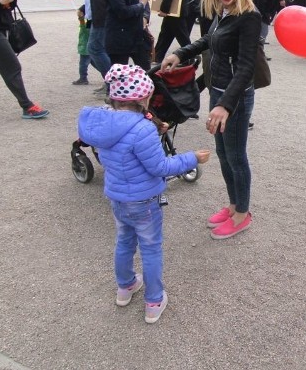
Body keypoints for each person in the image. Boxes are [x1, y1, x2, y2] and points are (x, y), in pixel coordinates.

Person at [77, 63, 211, 324]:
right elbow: (160, 167)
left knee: (124, 241)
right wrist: (191, 158)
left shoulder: (105, 124)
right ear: (143, 98)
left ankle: (125, 287)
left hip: (118, 198)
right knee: (150, 248)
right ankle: (154, 301)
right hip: (145, 201)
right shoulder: (142, 129)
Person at [161, 0, 261, 240]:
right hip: (219, 92)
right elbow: (210, 40)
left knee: (236, 156)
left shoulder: (249, 16)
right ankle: (233, 206)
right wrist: (180, 53)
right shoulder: (223, 10)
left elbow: (245, 68)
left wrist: (225, 106)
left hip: (235, 98)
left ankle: (242, 214)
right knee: (223, 154)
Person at [73, 5, 91, 85]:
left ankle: (83, 78)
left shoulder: (86, 23)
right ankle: (106, 74)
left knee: (83, 64)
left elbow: (83, 27)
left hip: (85, 47)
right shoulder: (91, 21)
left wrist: (80, 18)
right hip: (89, 47)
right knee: (96, 62)